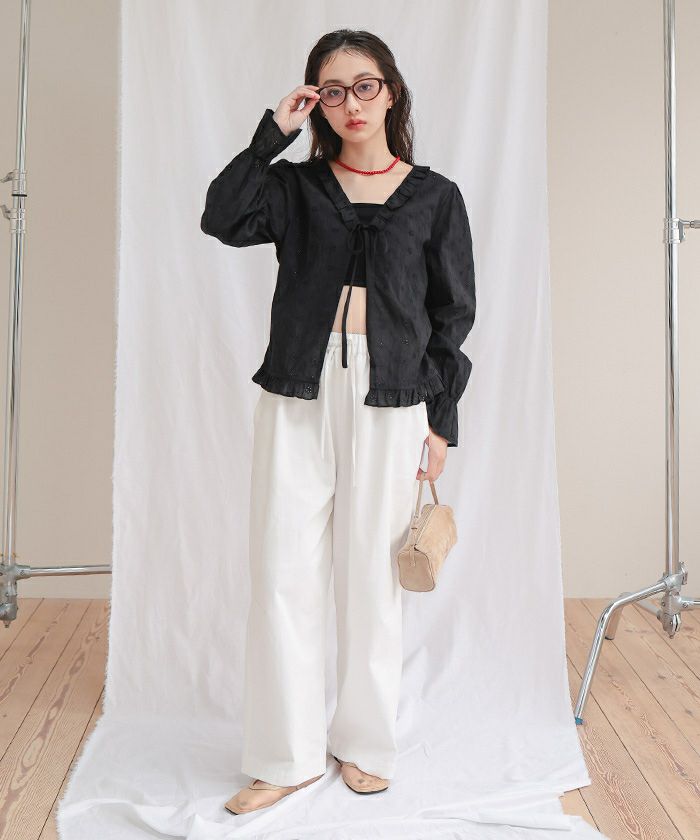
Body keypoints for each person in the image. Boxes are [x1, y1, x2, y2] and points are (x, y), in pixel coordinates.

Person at [200, 29, 476, 817]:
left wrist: (441, 421)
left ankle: (363, 745)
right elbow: (221, 217)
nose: (350, 103)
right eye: (331, 90)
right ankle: (285, 757)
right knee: (281, 574)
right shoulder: (294, 187)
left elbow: (452, 315)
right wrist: (271, 135)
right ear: (314, 101)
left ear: (392, 91)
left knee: (371, 581)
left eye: (365, 86)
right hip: (298, 390)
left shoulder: (435, 196)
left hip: (393, 398)